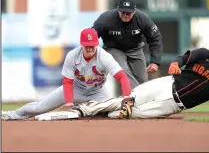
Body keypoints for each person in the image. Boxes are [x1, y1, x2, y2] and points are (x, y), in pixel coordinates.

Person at [34, 36, 209, 121]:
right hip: (167, 83)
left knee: (127, 114)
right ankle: (84, 110)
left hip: (175, 103)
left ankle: (102, 114)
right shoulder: (205, 55)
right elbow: (183, 57)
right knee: (130, 97)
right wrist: (177, 63)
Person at [1, 28, 131, 120]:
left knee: (110, 114)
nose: (90, 48)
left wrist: (126, 97)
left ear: (96, 44)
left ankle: (84, 110)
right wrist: (69, 101)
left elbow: (122, 77)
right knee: (39, 107)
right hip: (76, 88)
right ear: (82, 45)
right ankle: (10, 115)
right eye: (87, 46)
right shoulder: (72, 55)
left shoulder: (104, 57)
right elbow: (68, 80)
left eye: (93, 45)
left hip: (98, 92)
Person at [92, 0, 164, 89]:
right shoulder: (106, 18)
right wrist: (92, 55)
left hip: (135, 49)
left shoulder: (142, 18)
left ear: (134, 11)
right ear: (118, 10)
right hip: (113, 48)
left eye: (129, 13)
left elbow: (155, 38)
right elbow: (91, 36)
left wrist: (155, 62)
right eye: (123, 12)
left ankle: (142, 98)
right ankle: (134, 97)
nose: (125, 15)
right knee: (123, 71)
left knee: (143, 79)